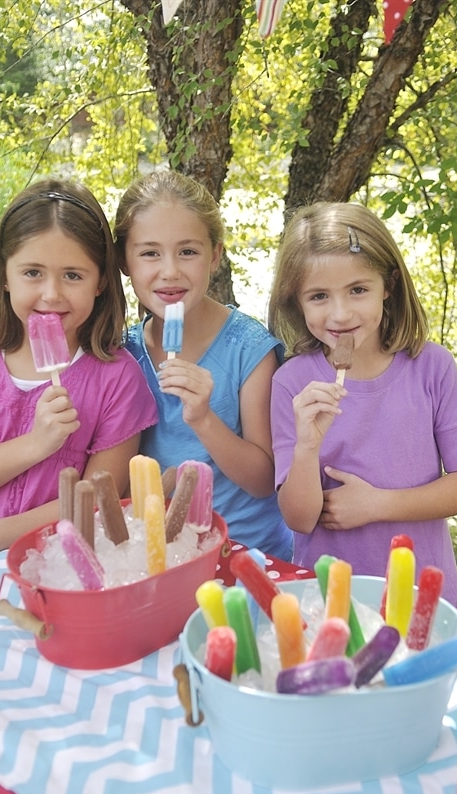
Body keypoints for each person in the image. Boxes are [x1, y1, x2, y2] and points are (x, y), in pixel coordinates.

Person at [268, 201, 457, 610]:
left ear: (389, 285)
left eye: (358, 290)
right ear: (297, 301)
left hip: (424, 598)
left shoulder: (431, 367)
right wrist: (306, 447)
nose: (341, 313)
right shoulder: (292, 384)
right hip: (330, 600)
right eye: (319, 296)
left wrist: (378, 505)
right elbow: (299, 519)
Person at [0, 179, 158, 571]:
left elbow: (96, 502)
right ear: (5, 275)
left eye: (73, 275)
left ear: (100, 283)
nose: (51, 294)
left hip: (55, 570)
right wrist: (36, 444)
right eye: (32, 272)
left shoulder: (117, 379)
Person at [114, 170, 293, 560]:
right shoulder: (121, 353)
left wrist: (203, 419)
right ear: (124, 261)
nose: (170, 270)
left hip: (247, 554)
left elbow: (265, 480)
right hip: (162, 553)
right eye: (149, 253)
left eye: (188, 251)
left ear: (214, 255)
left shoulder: (250, 350)